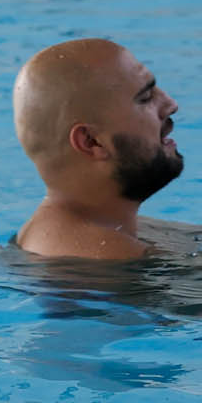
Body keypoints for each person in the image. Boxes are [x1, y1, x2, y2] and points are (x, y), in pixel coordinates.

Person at [13, 37, 187, 260]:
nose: (171, 104)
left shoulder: (111, 227)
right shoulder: (105, 257)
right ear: (91, 142)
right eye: (145, 98)